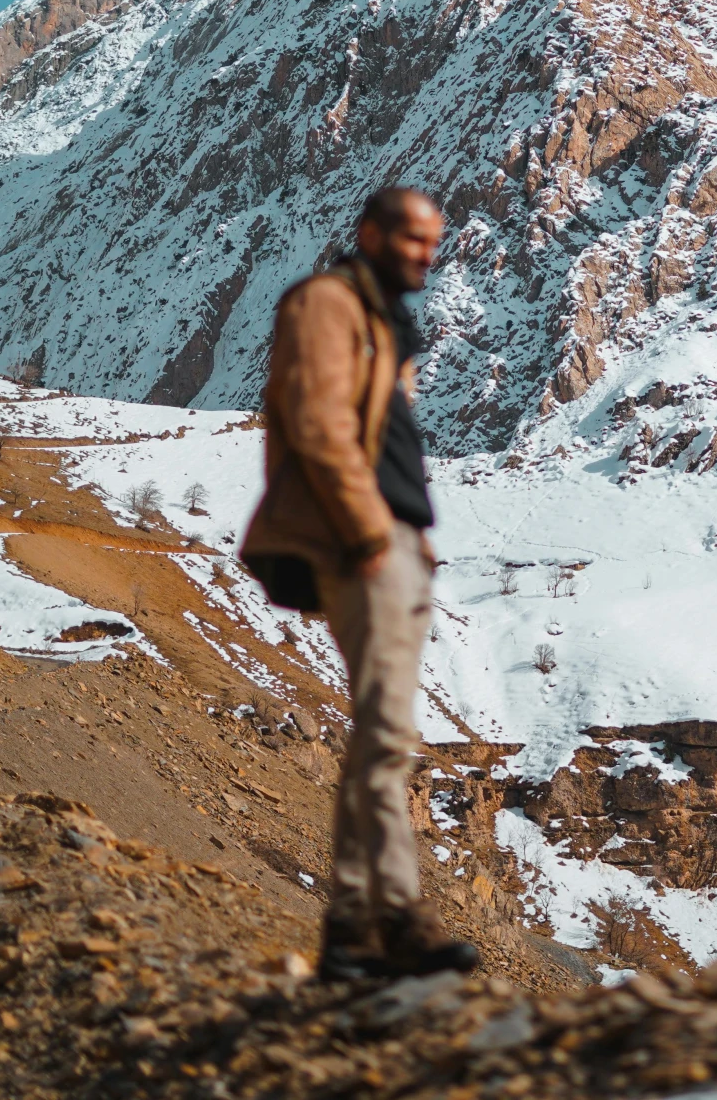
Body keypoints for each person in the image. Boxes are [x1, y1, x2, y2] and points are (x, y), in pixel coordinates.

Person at [239, 187, 479, 981]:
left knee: (390, 736)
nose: (426, 254)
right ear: (370, 233)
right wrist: (369, 530)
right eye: (412, 238)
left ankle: (358, 924)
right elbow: (315, 420)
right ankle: (386, 921)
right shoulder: (327, 304)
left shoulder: (382, 322)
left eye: (433, 241)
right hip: (364, 542)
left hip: (398, 542)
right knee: (383, 734)